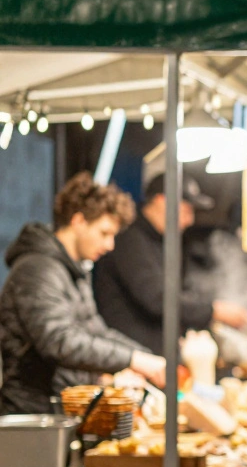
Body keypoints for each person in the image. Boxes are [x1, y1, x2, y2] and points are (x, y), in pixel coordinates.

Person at [0, 173, 166, 413]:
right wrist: (132, 359)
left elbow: (94, 331)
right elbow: (59, 340)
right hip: (33, 416)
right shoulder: (37, 269)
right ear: (78, 221)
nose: (110, 245)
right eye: (104, 233)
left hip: (61, 409)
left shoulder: (73, 270)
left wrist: (142, 357)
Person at [93, 173, 247, 355]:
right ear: (162, 201)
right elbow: (156, 299)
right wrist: (214, 310)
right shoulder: (130, 239)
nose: (190, 220)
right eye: (186, 210)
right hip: (130, 358)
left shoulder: (163, 241)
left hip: (156, 359)